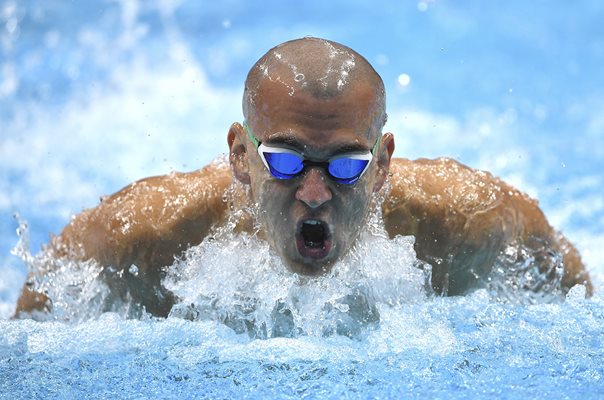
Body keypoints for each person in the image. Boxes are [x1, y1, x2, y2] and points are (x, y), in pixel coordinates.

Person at [16, 37, 592, 318]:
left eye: (346, 166)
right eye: (286, 162)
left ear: (383, 165)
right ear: (240, 156)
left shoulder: (466, 220)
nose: (314, 195)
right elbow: (36, 323)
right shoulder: (144, 234)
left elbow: (573, 298)